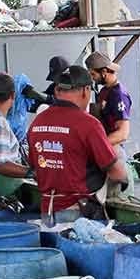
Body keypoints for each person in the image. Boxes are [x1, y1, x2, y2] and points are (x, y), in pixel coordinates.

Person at [27, 65, 129, 221]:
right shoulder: (88, 125)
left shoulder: (36, 123)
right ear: (85, 90)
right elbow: (116, 173)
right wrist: (124, 179)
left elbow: (35, 170)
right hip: (78, 214)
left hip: (47, 211)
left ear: (56, 90)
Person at [85, 51, 132, 157]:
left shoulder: (119, 95)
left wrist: (98, 146)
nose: (92, 78)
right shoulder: (104, 91)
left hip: (114, 150)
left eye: (93, 74)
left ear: (104, 71)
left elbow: (123, 133)